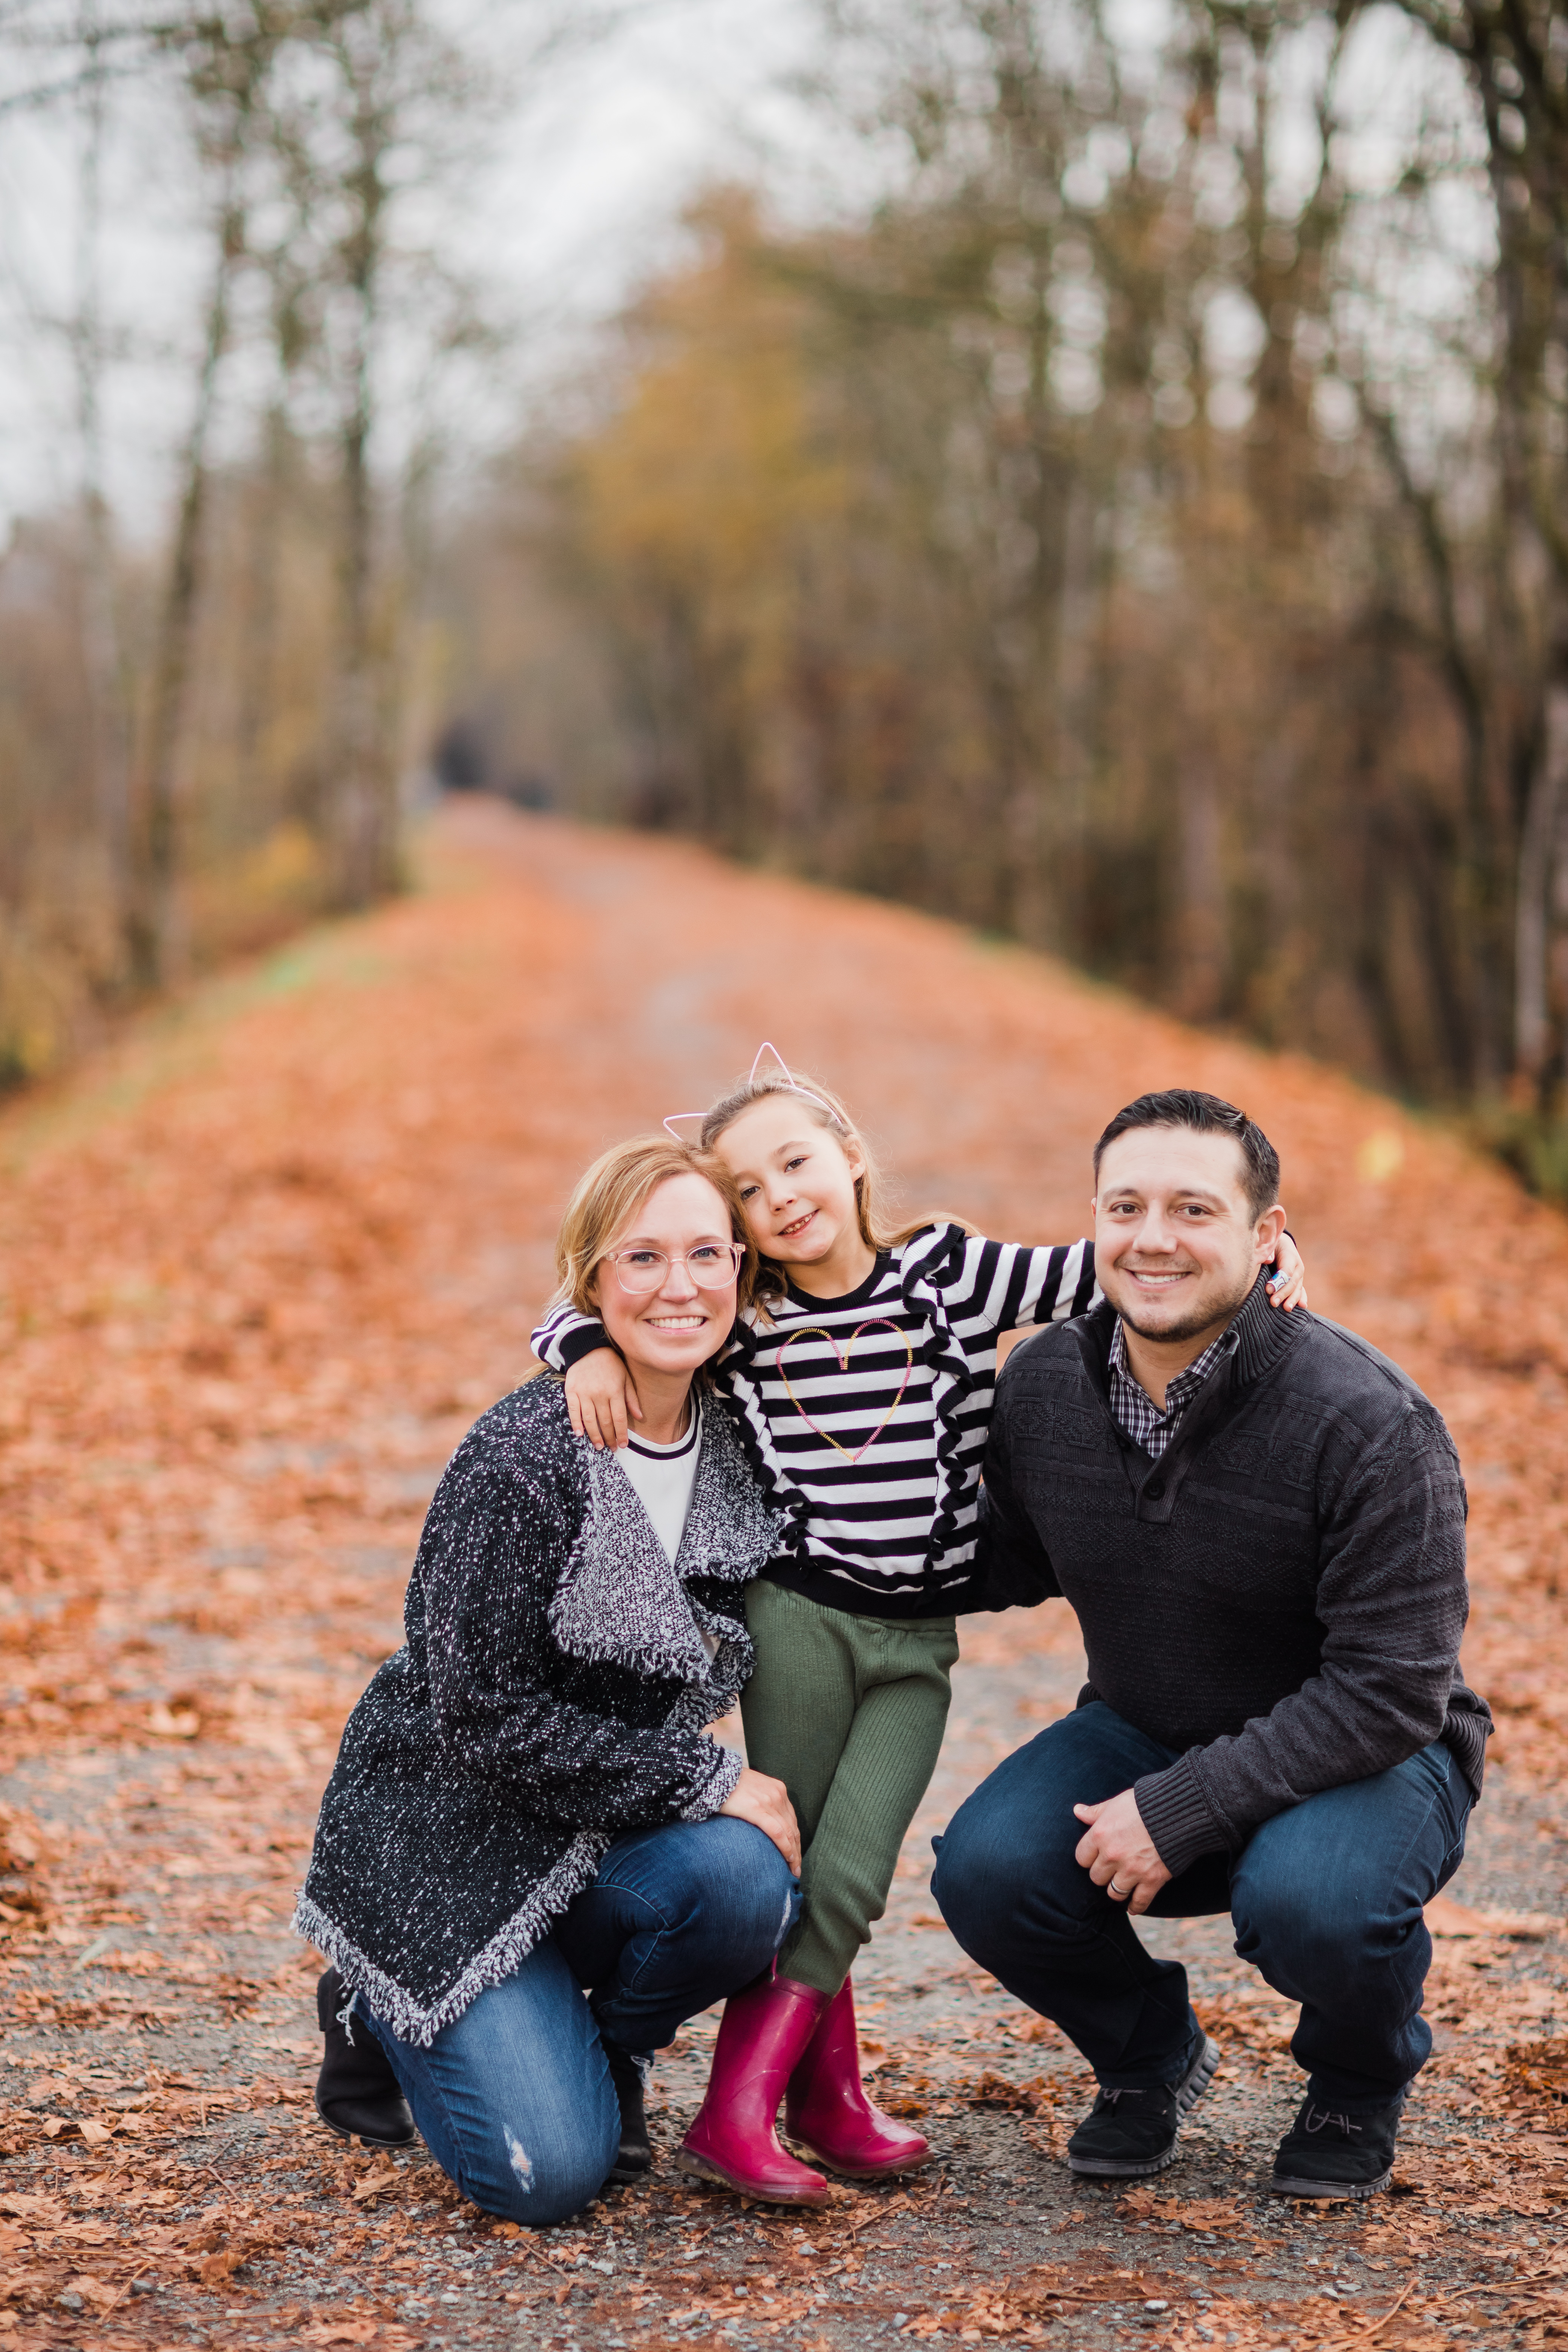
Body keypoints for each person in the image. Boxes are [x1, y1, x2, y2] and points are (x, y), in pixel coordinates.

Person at [532, 1051, 1308, 2206]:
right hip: (800, 1619)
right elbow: (593, 1304)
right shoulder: (749, 1312)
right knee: (799, 1855)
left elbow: (1103, 1272)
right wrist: (584, 1344)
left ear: (849, 1156)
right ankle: (755, 2110)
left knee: (856, 1865)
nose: (780, 1195)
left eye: (795, 1160)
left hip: (917, 1641)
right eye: (746, 1188)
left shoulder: (947, 1271)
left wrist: (1262, 1257)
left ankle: (806, 2099)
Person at [932, 1088, 1492, 2202]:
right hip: (1149, 1725)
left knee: (1313, 1905)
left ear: (1266, 1235)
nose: (1154, 1238)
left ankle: (1355, 2083)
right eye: (1126, 1206)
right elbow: (1003, 1558)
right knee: (987, 1871)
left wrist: (1182, 1809)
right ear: (1092, 1220)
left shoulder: (1369, 1423)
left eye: (1194, 1209)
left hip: (1377, 1755)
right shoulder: (1043, 1386)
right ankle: (1151, 2057)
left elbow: (1390, 1692)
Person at [295, 1137, 802, 2228]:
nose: (680, 1286)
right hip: (449, 1839)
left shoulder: (746, 1435)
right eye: (643, 1259)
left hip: (595, 1833)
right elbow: (478, 1719)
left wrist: (1264, 1281)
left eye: (708, 1255)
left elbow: (899, 1335)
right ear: (593, 1281)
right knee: (549, 2178)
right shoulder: (524, 1459)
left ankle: (600, 2044)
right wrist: (708, 1777)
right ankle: (372, 1999)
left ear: (743, 1274)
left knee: (746, 1886)